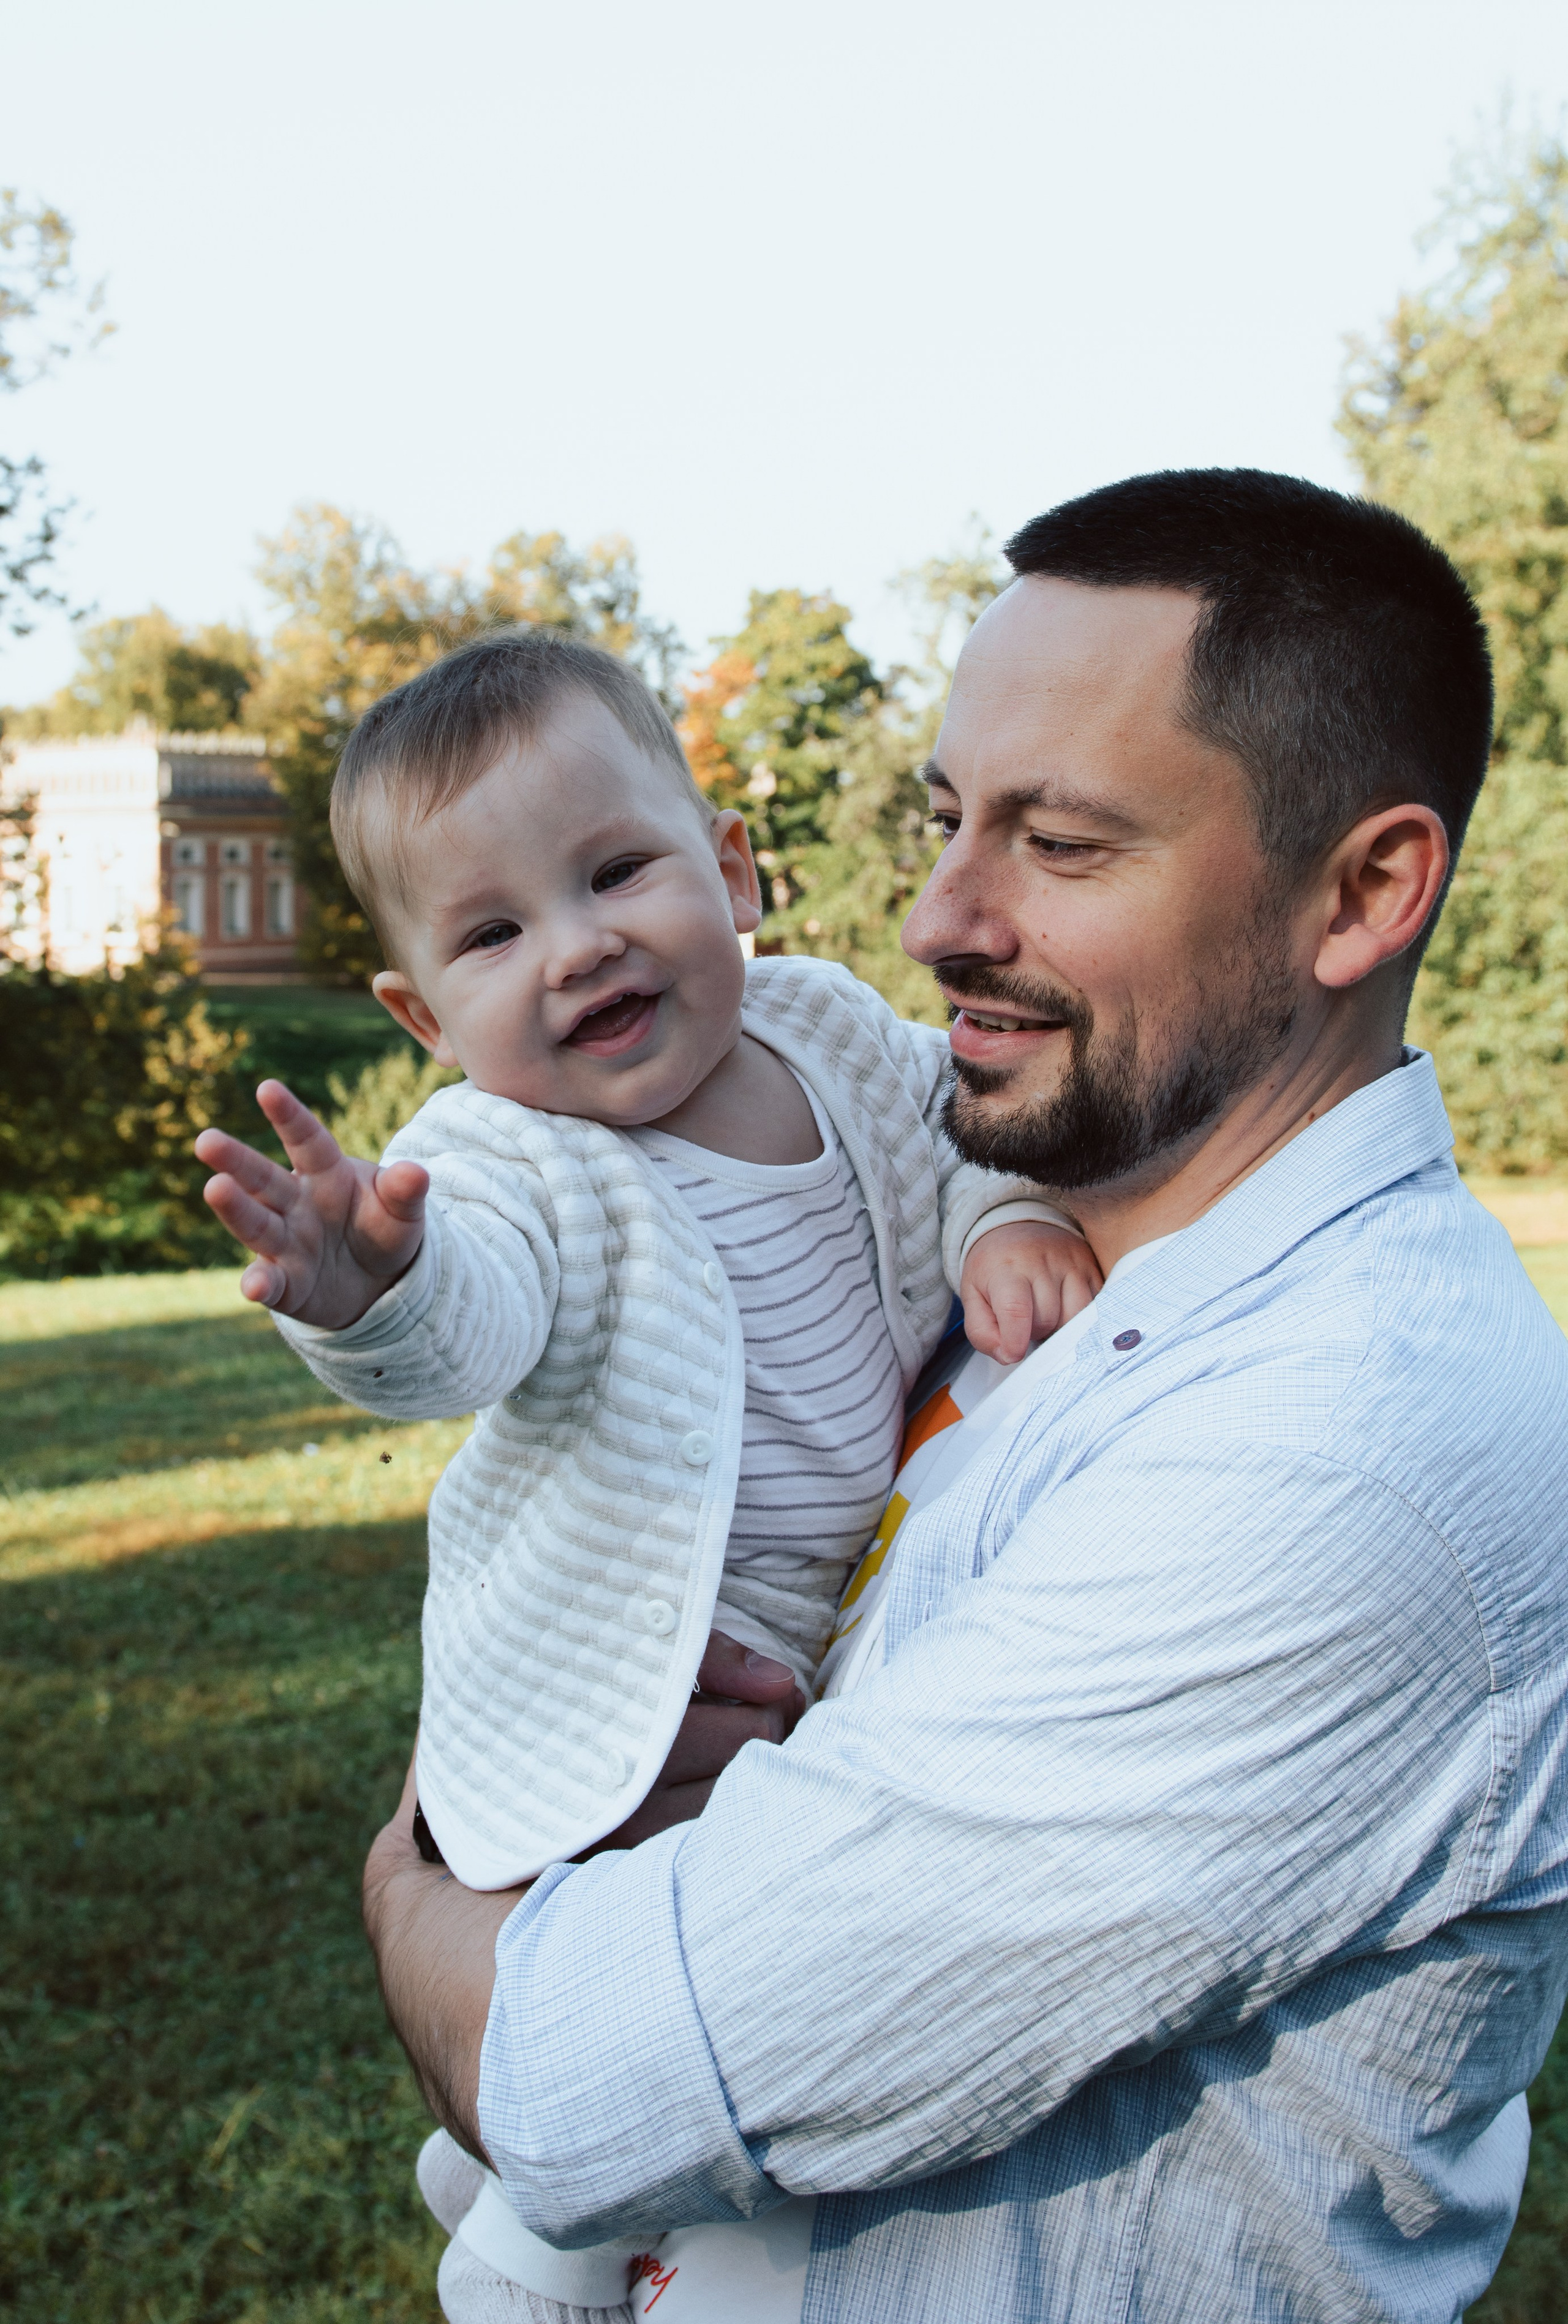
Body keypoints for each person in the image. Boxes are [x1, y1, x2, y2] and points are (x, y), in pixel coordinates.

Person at [361, 469, 1568, 2323]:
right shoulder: (1043, 1247)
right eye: (946, 819)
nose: (934, 919)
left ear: (1366, 891)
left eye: (1060, 846)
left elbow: (592, 2078)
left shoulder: (1347, 1456)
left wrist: (415, 1883)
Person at [194, 627, 1100, 2320]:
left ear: (731, 868)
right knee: (613, 1939)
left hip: (814, 1634)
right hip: (620, 1648)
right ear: (422, 1014)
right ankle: (529, 2258)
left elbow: (965, 1135)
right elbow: (470, 1313)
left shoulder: (832, 1032)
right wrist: (367, 1285)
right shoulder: (501, 1156)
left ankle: (601, 2211)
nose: (578, 945)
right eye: (492, 932)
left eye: (616, 870)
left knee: (753, 1961)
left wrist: (1020, 1217)